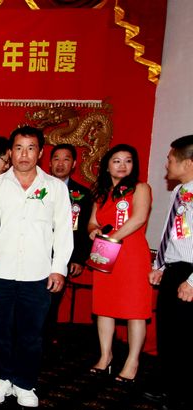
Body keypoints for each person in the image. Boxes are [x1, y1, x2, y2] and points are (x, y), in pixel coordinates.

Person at [0, 126, 73, 408]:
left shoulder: (56, 188)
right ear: (10, 152)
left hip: (38, 273)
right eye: (19, 148)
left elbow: (64, 231)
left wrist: (59, 267)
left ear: (41, 152)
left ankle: (25, 383)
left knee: (32, 333)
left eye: (31, 148)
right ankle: (0, 378)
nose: (24, 155)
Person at [87, 144, 152, 382]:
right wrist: (94, 231)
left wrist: (112, 237)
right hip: (106, 253)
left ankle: (132, 362)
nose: (122, 166)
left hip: (132, 255)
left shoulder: (141, 188)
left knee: (135, 310)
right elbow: (93, 221)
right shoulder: (101, 192)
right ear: (107, 166)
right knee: (104, 307)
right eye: (117, 161)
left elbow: (139, 218)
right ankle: (106, 356)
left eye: (128, 161)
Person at [147, 135, 193, 410]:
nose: (167, 164)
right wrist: (160, 265)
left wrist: (192, 281)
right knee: (168, 332)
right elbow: (173, 232)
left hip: (190, 272)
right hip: (174, 269)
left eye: (171, 159)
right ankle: (169, 386)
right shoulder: (180, 191)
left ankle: (184, 397)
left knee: (186, 337)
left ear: (188, 163)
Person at [45, 144, 92, 346]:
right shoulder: (40, 188)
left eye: (66, 159)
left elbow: (84, 230)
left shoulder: (83, 194)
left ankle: (47, 340)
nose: (60, 163)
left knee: (53, 299)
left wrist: (78, 258)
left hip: (63, 257)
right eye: (56, 158)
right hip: (37, 253)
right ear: (49, 162)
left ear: (73, 164)